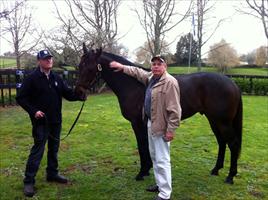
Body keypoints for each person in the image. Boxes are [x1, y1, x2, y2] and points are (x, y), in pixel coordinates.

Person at [110, 55, 181, 200]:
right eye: (153, 64)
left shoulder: (170, 82)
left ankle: (165, 193)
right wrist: (122, 67)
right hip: (150, 122)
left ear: (165, 66)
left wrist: (171, 130)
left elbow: (175, 110)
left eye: (159, 64)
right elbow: (137, 72)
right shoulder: (151, 78)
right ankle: (159, 184)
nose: (155, 66)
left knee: (162, 159)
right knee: (155, 157)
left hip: (162, 126)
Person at [16, 50, 86, 197]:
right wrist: (33, 111)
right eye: (45, 59)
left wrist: (79, 96)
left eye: (50, 58)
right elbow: (21, 98)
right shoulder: (32, 79)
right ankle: (29, 181)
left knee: (53, 149)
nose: (49, 61)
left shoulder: (56, 77)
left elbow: (68, 94)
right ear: (39, 61)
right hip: (40, 122)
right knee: (38, 151)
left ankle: (52, 174)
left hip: (56, 121)